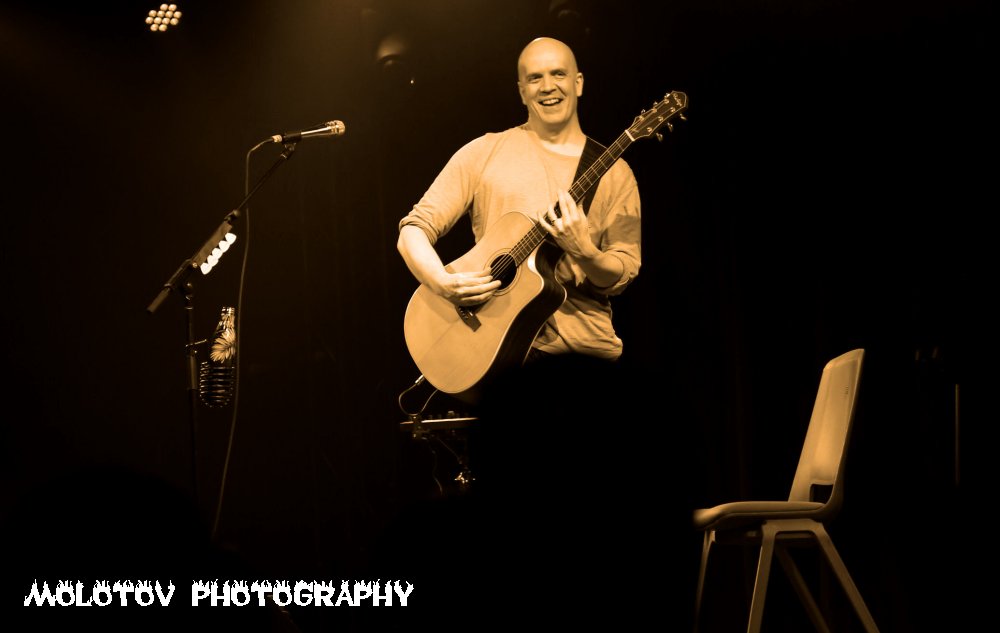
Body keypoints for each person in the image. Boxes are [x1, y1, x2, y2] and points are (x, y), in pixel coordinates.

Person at [396, 36, 641, 364]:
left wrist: (584, 251)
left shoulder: (614, 171)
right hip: (497, 356)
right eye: (535, 78)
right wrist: (442, 282)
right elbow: (413, 231)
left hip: (583, 358)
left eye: (558, 74)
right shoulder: (484, 152)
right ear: (522, 90)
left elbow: (620, 275)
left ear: (578, 83)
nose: (547, 86)